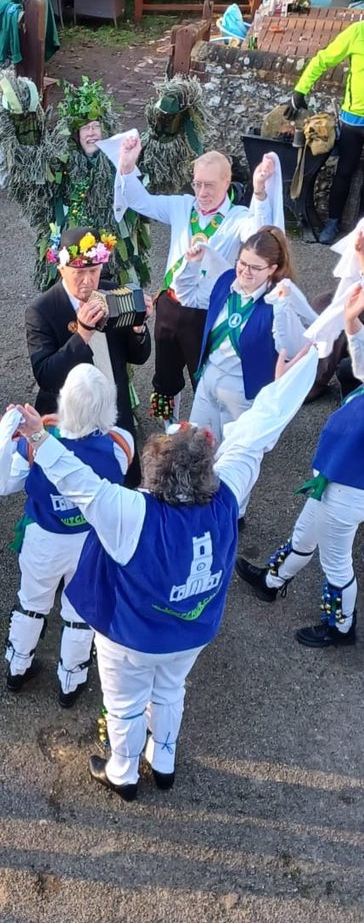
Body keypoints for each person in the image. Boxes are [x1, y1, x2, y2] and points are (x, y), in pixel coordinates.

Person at [12, 343, 318, 799]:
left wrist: (38, 437)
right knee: (172, 690)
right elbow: (257, 431)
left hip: (132, 635)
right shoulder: (227, 494)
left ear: (153, 474)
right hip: (193, 628)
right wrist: (290, 375)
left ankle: (123, 772)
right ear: (206, 469)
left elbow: (77, 481)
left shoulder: (132, 511)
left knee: (124, 703)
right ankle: (165, 759)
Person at [115, 135, 281, 422]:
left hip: (208, 313)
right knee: (165, 377)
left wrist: (260, 193)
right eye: (197, 183)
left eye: (209, 185)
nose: (201, 192)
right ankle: (169, 427)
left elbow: (259, 232)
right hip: (170, 304)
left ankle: (208, 431)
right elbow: (140, 201)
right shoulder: (182, 206)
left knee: (203, 376)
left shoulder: (238, 217)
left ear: (226, 183)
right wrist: (127, 168)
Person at [236, 284, 364, 648]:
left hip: (352, 483)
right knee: (306, 529)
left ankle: (341, 627)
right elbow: (360, 358)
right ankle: (272, 582)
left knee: (336, 560)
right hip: (336, 473)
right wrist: (352, 319)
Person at [1, 365, 133, 707]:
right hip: (91, 542)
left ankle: (18, 666)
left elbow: (6, 484)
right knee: (79, 610)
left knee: (32, 601)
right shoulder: (120, 444)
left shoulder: (37, 443)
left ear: (64, 401)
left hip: (44, 536)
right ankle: (70, 681)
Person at [0, 73, 151, 289]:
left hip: (110, 260)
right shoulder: (61, 161)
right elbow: (31, 171)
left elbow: (151, 174)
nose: (91, 133)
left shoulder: (121, 160)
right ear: (76, 134)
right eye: (85, 128)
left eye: (95, 126)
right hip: (69, 253)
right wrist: (20, 117)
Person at [25, 226, 151, 487]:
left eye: (93, 271)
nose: (88, 281)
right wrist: (81, 333)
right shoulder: (42, 310)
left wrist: (139, 327)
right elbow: (47, 376)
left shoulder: (112, 292)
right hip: (68, 419)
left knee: (123, 484)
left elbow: (137, 357)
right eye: (79, 273)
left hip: (114, 410)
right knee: (72, 488)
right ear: (61, 269)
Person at [174, 226, 308, 446]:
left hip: (244, 393)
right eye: (242, 263)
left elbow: (295, 349)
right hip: (207, 381)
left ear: (272, 269)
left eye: (255, 267)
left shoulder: (277, 302)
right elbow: (188, 296)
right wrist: (192, 264)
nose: (246, 271)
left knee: (234, 456)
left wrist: (282, 311)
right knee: (194, 450)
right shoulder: (226, 279)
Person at [284, 19, 364, 245]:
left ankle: (361, 232)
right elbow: (323, 59)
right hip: (353, 120)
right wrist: (299, 91)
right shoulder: (358, 31)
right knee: (344, 172)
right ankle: (333, 222)